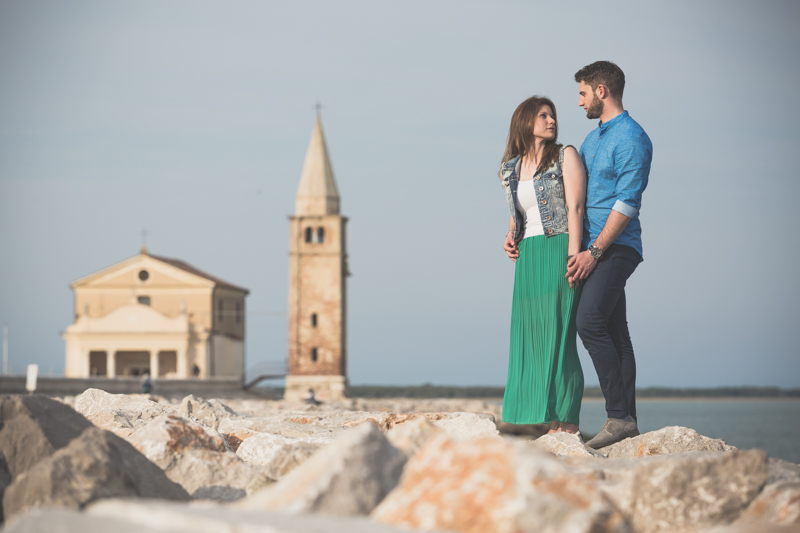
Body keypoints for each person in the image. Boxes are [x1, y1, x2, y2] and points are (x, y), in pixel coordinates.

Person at [566, 61, 653, 449]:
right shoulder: (591, 138)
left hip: (615, 247)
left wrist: (595, 251)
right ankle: (627, 421)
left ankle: (617, 416)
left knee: (589, 321)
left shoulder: (632, 137)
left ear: (601, 91)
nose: (579, 101)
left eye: (583, 93)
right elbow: (574, 196)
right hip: (592, 247)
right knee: (617, 334)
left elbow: (627, 202)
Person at [500, 96, 587, 435]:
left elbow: (576, 208)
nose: (551, 121)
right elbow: (517, 215)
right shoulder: (509, 169)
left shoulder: (565, 155)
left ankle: (567, 423)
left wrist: (574, 254)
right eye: (543, 116)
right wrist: (509, 237)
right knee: (532, 337)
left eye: (552, 115)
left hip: (558, 249)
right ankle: (549, 420)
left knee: (560, 336)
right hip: (528, 256)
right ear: (525, 122)